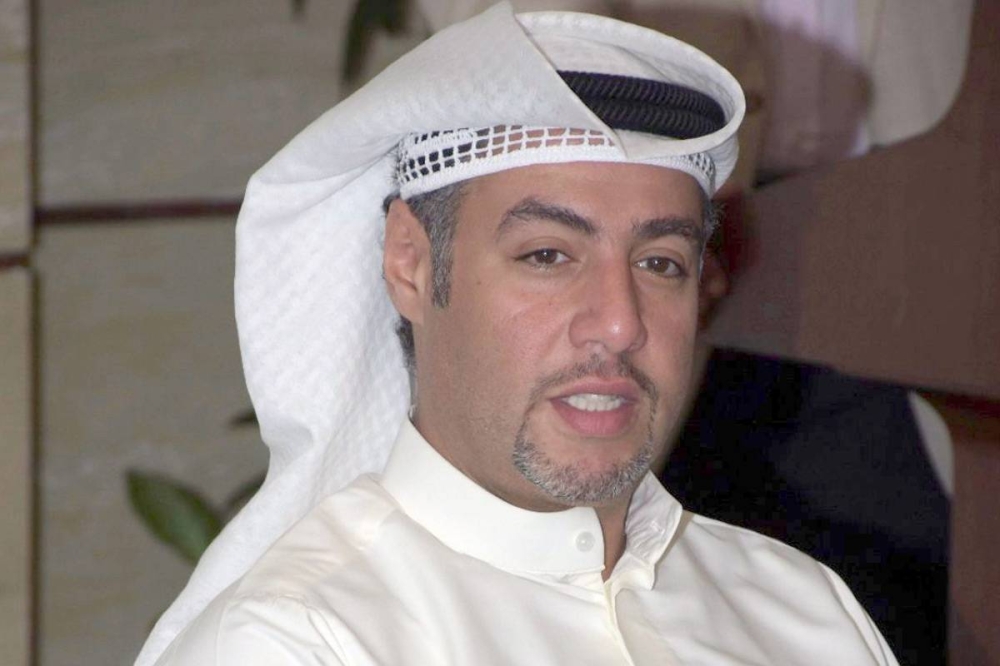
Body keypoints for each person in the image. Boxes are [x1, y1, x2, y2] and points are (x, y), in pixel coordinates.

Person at [137, 5, 898, 664]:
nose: (619, 322)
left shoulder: (804, 611)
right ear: (410, 263)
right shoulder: (299, 641)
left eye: (659, 262)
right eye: (547, 256)